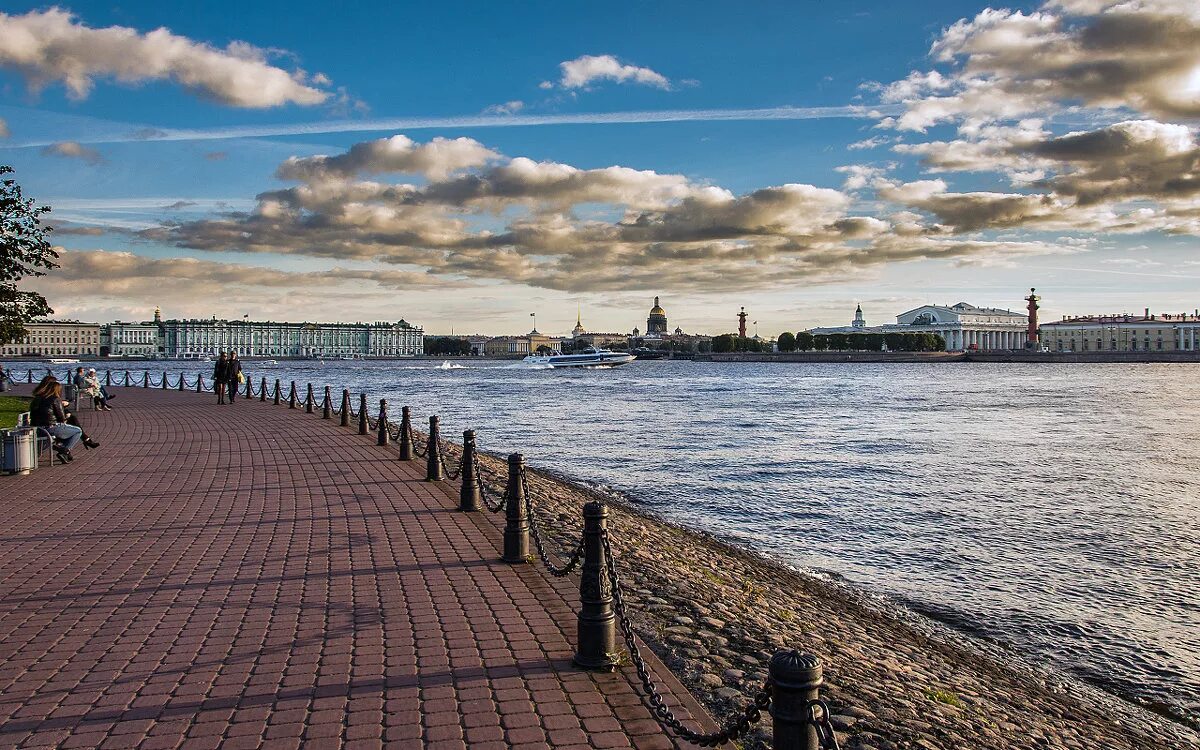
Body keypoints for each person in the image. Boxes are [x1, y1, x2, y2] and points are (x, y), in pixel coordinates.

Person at [29, 376, 84, 463]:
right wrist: (66, 412)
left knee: (66, 430)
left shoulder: (37, 398)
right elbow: (61, 418)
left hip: (36, 428)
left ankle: (62, 448)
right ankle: (65, 450)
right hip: (50, 428)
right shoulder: (55, 399)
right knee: (77, 431)